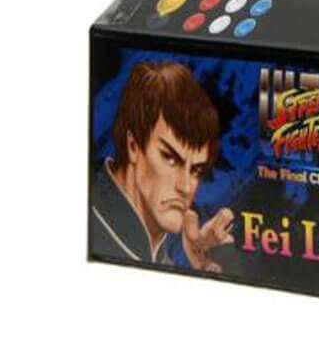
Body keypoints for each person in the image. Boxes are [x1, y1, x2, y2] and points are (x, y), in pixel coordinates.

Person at [91, 61, 234, 271]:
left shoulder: (156, 251)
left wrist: (199, 271)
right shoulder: (90, 221)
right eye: (170, 158)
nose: (185, 187)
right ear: (133, 145)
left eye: (195, 170)